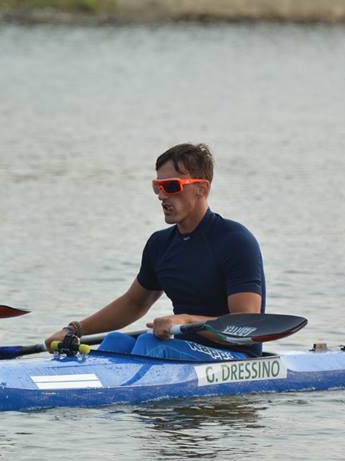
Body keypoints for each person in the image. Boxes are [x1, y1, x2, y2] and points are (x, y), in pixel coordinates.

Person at [44, 143, 265, 361]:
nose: (161, 195)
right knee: (114, 342)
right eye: (157, 186)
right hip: (184, 347)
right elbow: (134, 303)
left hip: (235, 355)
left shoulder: (236, 241)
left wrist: (186, 321)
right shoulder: (160, 244)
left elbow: (247, 325)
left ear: (202, 189)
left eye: (170, 186)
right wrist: (75, 330)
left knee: (149, 344)